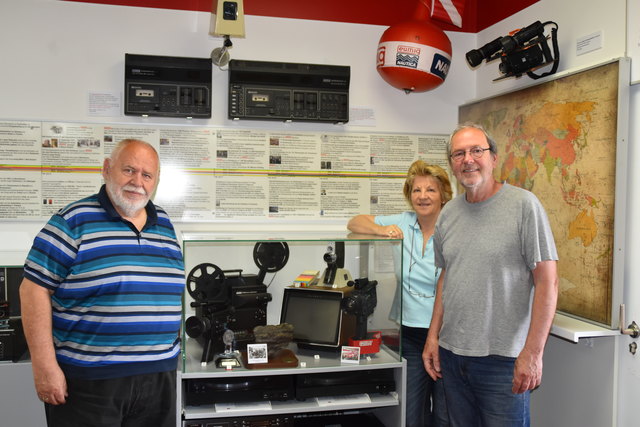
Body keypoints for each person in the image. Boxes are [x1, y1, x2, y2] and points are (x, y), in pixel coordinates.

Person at [19, 139, 185, 427]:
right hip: (90, 382)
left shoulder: (165, 225)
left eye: (147, 175)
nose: (137, 182)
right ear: (107, 169)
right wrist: (44, 367)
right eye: (129, 170)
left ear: (156, 181)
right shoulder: (72, 221)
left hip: (158, 378)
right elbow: (33, 289)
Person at [422, 123, 559, 427]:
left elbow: (547, 282)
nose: (467, 159)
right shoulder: (449, 213)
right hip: (453, 355)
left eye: (476, 151)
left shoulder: (524, 206)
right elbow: (447, 276)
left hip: (503, 361)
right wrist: (433, 338)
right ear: (452, 165)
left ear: (494, 158)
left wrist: (533, 354)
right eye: (458, 154)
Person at [348, 160, 452, 427]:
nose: (423, 196)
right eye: (416, 190)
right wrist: (381, 230)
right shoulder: (403, 222)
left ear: (443, 194)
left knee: (445, 412)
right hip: (411, 333)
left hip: (447, 334)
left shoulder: (454, 225)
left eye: (431, 190)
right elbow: (355, 222)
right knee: (411, 410)